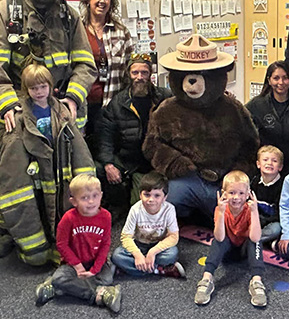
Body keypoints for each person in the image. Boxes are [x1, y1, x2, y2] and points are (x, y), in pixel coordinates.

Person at [0, 64, 95, 264]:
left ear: (50, 86)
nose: (39, 92)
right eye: (34, 88)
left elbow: (79, 148)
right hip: (35, 176)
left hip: (60, 171)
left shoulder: (61, 111)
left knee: (61, 207)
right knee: (42, 209)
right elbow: (13, 165)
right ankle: (40, 249)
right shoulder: (19, 119)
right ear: (26, 90)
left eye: (43, 87)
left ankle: (62, 245)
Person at [0, 0, 97, 134]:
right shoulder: (6, 12)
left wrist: (73, 96)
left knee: (76, 162)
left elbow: (86, 65)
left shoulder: (69, 16)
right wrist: (8, 103)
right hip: (21, 109)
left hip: (63, 107)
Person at [97, 54, 171, 215]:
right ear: (128, 75)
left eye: (144, 73)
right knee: (100, 170)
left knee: (147, 206)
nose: (139, 77)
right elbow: (106, 138)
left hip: (156, 161)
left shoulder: (165, 98)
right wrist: (108, 164)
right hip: (129, 160)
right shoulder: (117, 103)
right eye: (135, 73)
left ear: (150, 74)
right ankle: (118, 206)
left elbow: (188, 102)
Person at [35, 174, 121, 313]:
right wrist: (77, 265)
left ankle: (56, 288)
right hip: (72, 264)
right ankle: (100, 295)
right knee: (60, 278)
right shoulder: (68, 218)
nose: (91, 201)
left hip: (94, 262)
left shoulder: (106, 216)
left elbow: (105, 244)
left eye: (95, 196)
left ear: (101, 195)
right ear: (74, 201)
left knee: (107, 279)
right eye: (84, 198)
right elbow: (62, 244)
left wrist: (95, 268)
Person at [194, 171, 266, 307]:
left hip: (245, 252)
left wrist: (255, 211)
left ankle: (257, 280)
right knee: (218, 240)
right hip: (227, 251)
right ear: (224, 193)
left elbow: (256, 237)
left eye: (241, 193)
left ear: (248, 194)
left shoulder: (249, 209)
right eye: (232, 193)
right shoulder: (221, 209)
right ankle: (207, 278)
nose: (236, 198)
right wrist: (221, 213)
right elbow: (220, 237)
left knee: (255, 241)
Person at [80, 0, 134, 155]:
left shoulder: (121, 31)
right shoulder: (77, 30)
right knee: (84, 149)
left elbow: (130, 66)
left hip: (112, 101)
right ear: (88, 0)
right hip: (84, 101)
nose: (102, 1)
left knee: (109, 150)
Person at [245, 60, 289, 176]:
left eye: (285, 78)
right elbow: (245, 131)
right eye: (276, 78)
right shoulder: (256, 105)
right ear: (269, 80)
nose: (281, 82)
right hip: (268, 166)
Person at [111, 171, 186, 278]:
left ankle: (132, 269)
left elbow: (173, 237)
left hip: (158, 246)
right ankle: (159, 270)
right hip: (139, 244)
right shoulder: (135, 210)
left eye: (157, 196)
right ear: (140, 195)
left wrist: (152, 252)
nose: (151, 200)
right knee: (117, 255)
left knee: (172, 253)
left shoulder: (169, 209)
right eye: (147, 195)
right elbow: (126, 236)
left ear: (165, 197)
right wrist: (137, 254)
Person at [251, 145, 284, 244]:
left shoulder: (283, 185)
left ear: (280, 167)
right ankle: (266, 242)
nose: (269, 163)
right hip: (256, 218)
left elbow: (280, 213)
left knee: (276, 229)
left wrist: (264, 221)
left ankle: (252, 240)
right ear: (258, 164)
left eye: (274, 161)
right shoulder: (255, 181)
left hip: (272, 221)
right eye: (265, 160)